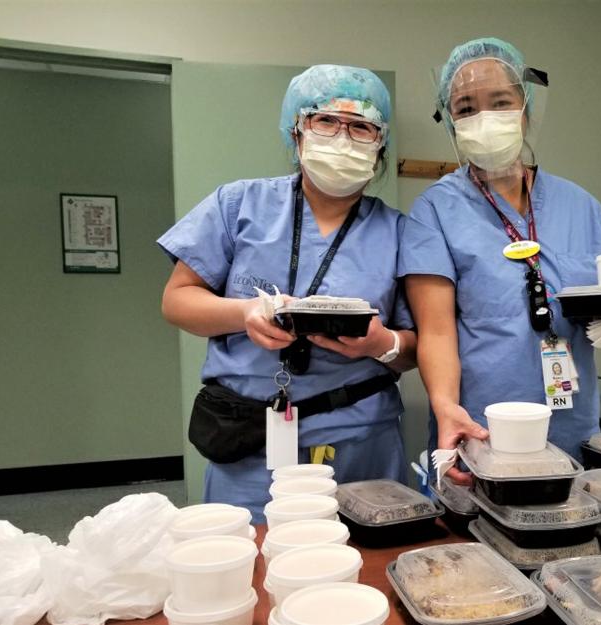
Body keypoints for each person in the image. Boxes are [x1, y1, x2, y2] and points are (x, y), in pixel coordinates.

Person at [158, 64, 416, 521]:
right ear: (296, 133)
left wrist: (382, 344)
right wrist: (246, 313)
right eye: (326, 121)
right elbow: (177, 300)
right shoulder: (238, 205)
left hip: (361, 440)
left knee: (365, 572)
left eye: (362, 127)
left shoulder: (400, 233)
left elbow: (418, 346)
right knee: (253, 569)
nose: (342, 138)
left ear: (379, 147)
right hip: (251, 441)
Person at [399, 38, 601, 483]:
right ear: (450, 122)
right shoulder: (436, 211)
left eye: (500, 102)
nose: (483, 118)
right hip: (479, 431)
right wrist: (447, 409)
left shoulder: (579, 205)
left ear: (525, 109)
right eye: (466, 108)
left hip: (571, 428)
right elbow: (438, 330)